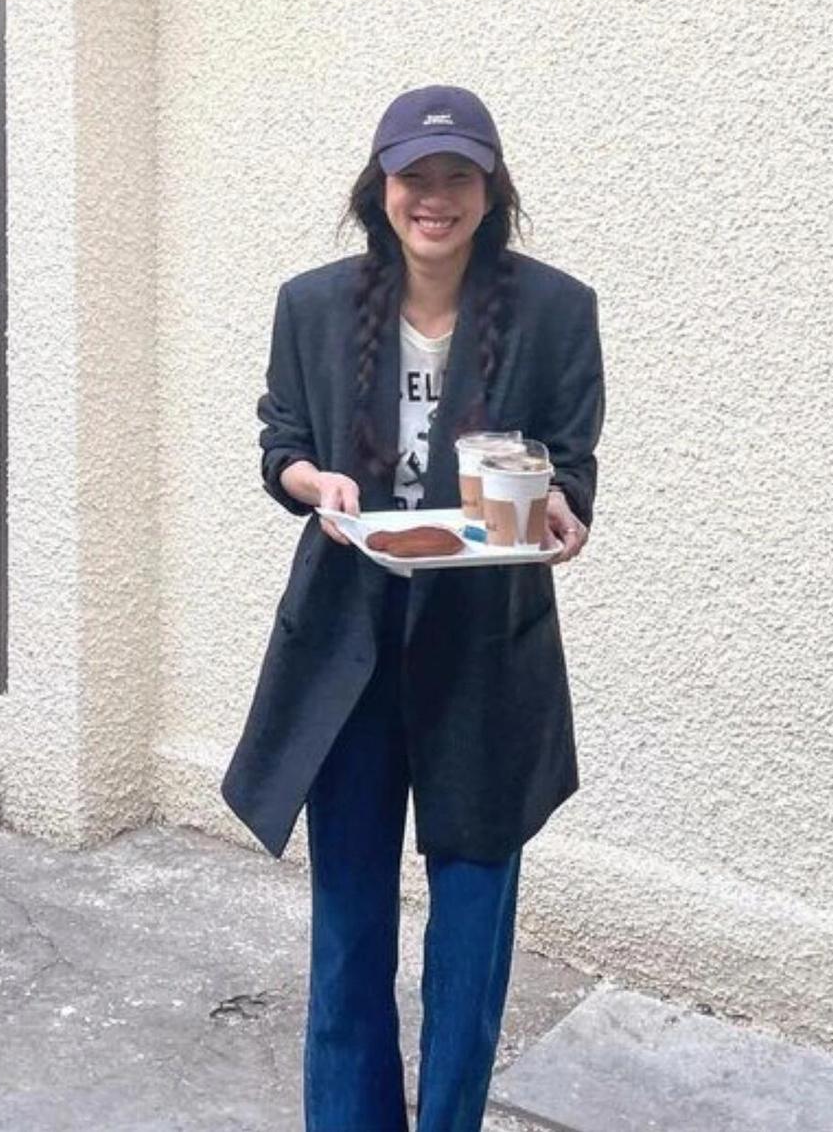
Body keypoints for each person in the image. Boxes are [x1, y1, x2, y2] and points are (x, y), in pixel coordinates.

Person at [222, 86, 605, 1132]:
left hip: (485, 658)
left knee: (470, 940)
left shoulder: (555, 309)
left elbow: (571, 468)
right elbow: (280, 440)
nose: (434, 197)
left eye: (457, 176)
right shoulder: (311, 304)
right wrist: (308, 480)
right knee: (348, 931)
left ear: (489, 189)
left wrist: (558, 511)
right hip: (345, 651)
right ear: (379, 187)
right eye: (414, 176)